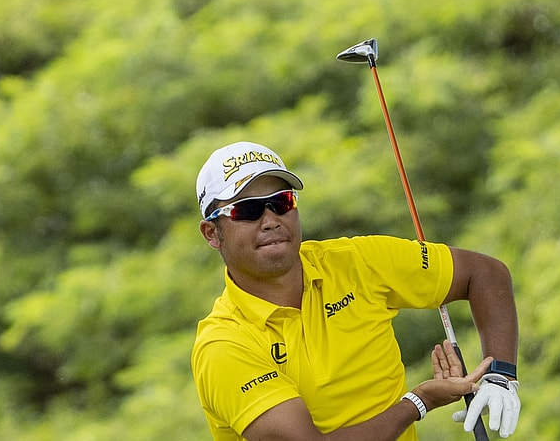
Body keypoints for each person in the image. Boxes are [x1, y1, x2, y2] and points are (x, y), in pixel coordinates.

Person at [191, 141, 521, 440]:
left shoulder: (356, 261)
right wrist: (419, 401)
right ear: (212, 233)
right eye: (247, 210)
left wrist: (500, 375)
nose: (270, 220)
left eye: (282, 202)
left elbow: (484, 273)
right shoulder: (222, 344)